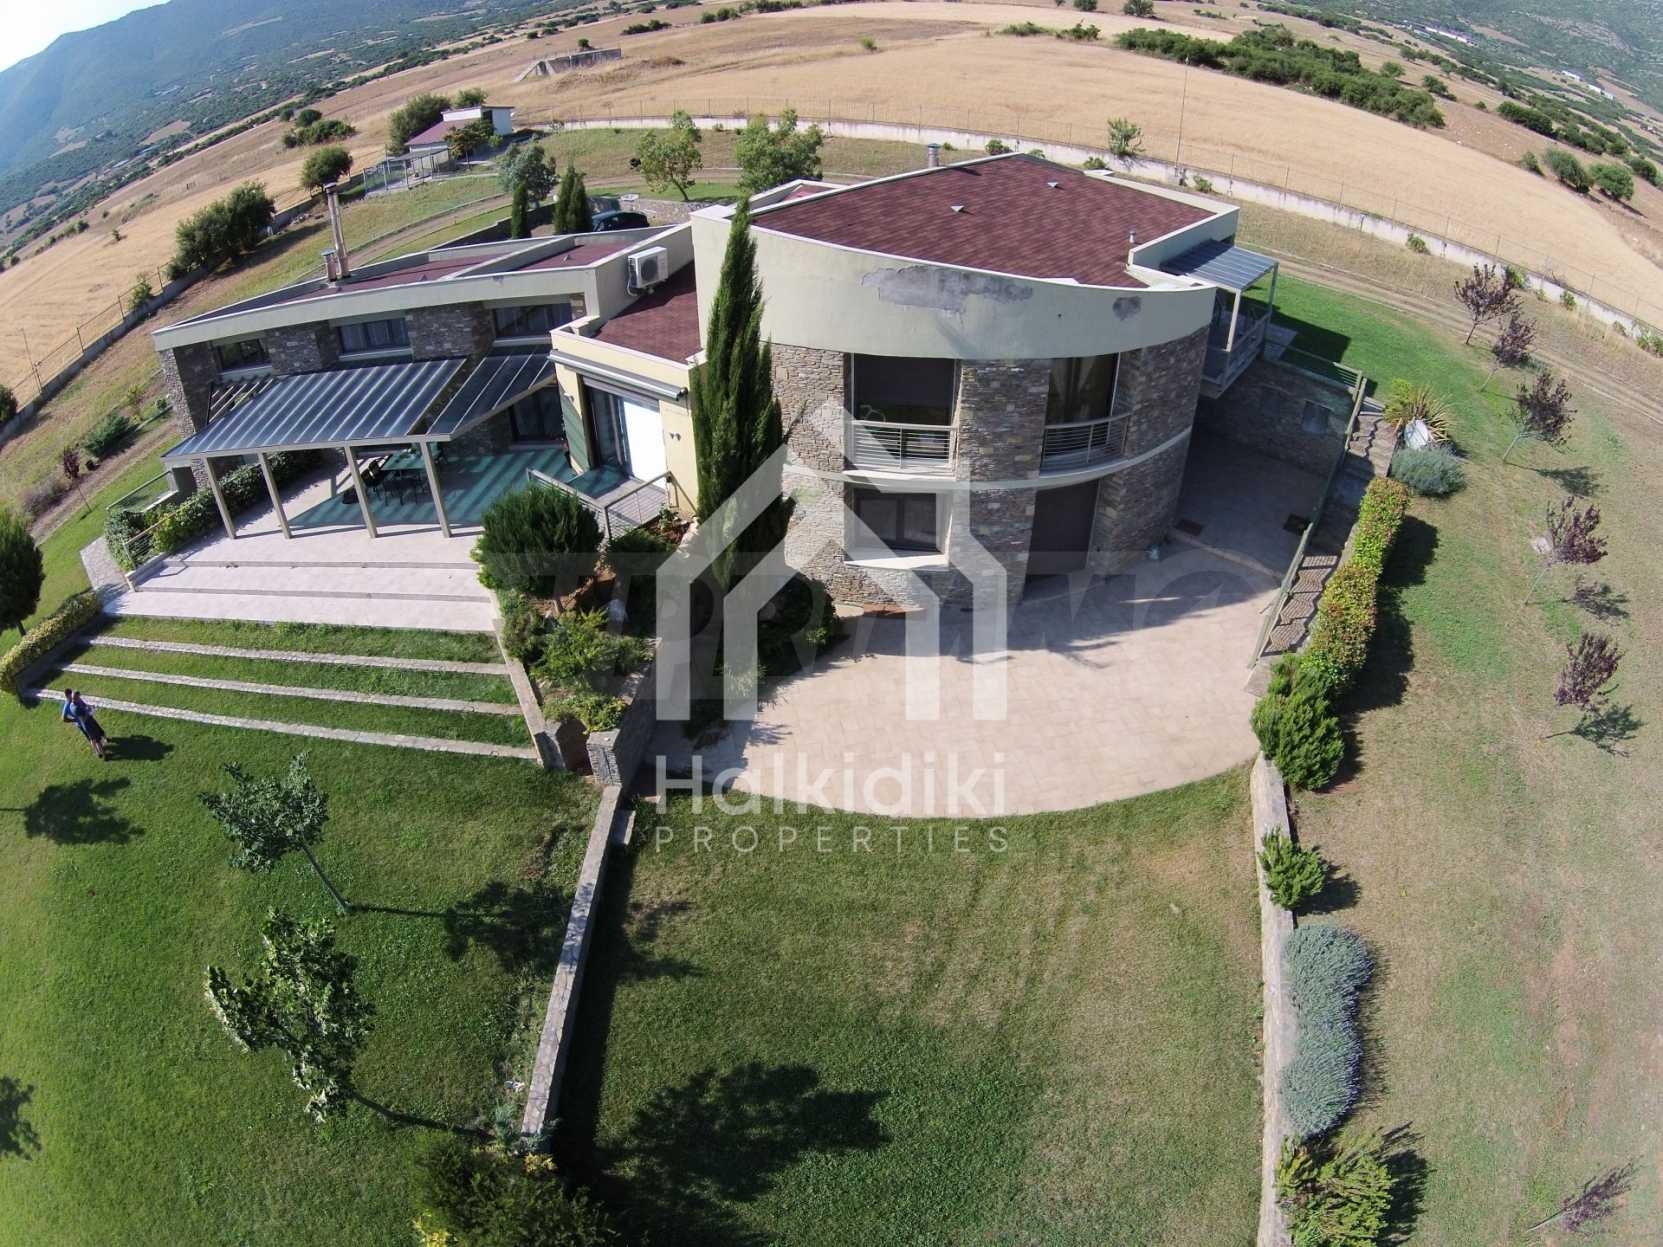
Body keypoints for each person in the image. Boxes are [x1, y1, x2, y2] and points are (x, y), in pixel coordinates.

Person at [61, 688, 108, 760]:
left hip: (85, 723)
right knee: (96, 739)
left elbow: (83, 705)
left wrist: (88, 708)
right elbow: (64, 718)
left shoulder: (73, 703)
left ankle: (98, 751)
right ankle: (103, 754)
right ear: (68, 696)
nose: (80, 698)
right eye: (78, 697)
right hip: (87, 723)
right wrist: (75, 719)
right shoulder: (72, 707)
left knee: (92, 738)